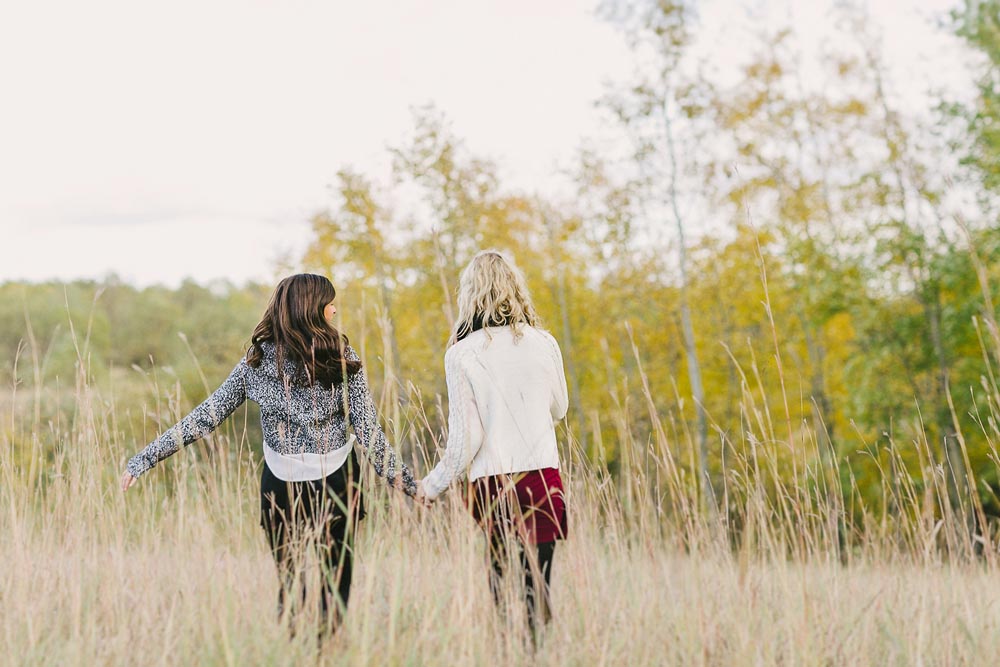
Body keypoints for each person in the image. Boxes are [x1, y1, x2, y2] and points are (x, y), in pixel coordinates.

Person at [121, 273, 417, 637]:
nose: (335, 308)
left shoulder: (257, 363)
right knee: (335, 581)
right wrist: (407, 482)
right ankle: (325, 649)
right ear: (312, 309)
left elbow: (204, 418)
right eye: (330, 302)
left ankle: (293, 645)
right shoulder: (341, 356)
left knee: (290, 580)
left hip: (280, 486)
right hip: (338, 483)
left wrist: (144, 459)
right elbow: (368, 432)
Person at [416, 250, 569, 642]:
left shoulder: (462, 353)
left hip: (493, 484)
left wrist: (431, 486)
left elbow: (468, 439)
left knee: (502, 583)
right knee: (539, 586)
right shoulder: (544, 342)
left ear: (469, 294)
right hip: (542, 476)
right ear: (516, 288)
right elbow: (560, 408)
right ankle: (534, 652)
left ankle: (505, 650)